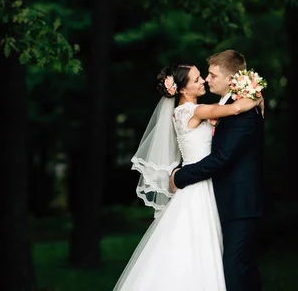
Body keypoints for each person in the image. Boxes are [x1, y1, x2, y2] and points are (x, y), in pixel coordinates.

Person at [114, 59, 260, 291]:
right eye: (197, 79)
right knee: (199, 245)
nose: (203, 81)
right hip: (199, 185)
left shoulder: (182, 112)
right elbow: (233, 108)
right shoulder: (196, 110)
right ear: (182, 89)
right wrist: (256, 97)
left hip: (195, 182)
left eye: (202, 76)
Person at [171, 50, 265, 291]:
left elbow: (221, 158)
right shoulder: (225, 108)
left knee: (235, 269)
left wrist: (180, 176)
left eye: (212, 75)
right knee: (233, 268)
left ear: (230, 79)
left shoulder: (243, 113)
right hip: (221, 200)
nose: (207, 80)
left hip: (240, 203)